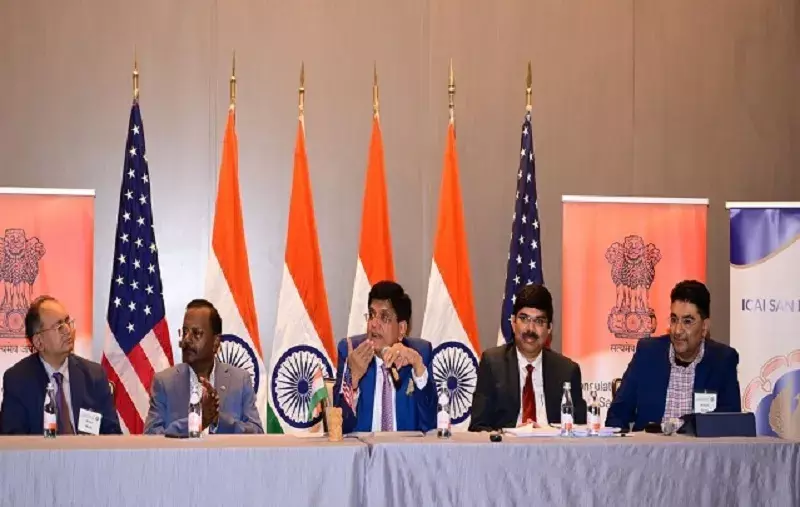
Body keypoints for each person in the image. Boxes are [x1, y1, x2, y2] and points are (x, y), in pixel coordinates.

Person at [605, 280, 741, 431]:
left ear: (704, 327)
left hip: (697, 446)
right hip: (650, 445)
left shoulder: (722, 360)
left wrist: (686, 425)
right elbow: (617, 414)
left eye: (687, 322)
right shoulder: (648, 353)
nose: (677, 330)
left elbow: (731, 422)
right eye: (674, 320)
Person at [469, 284, 586, 432]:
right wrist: (511, 433)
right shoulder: (493, 364)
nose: (530, 329)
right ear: (513, 323)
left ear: (549, 328)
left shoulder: (567, 371)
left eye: (539, 321)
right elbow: (478, 426)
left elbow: (580, 428)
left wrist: (547, 432)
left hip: (552, 445)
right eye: (524, 319)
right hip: (508, 445)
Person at [0, 295, 121, 435]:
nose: (68, 330)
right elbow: (13, 440)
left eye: (67, 322)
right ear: (39, 342)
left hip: (88, 449)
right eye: (59, 327)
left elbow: (112, 434)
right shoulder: (17, 380)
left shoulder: (94, 375)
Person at [144, 299, 263, 435]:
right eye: (184, 332)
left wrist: (217, 420)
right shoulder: (164, 382)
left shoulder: (240, 381)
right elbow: (151, 436)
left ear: (215, 343)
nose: (186, 340)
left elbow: (257, 434)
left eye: (196, 333)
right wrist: (197, 421)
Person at [333, 281, 436, 433]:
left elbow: (431, 425)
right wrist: (352, 380)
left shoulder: (419, 354)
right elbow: (338, 429)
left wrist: (418, 365)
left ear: (402, 329)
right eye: (371, 315)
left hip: (404, 448)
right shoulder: (350, 352)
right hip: (364, 448)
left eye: (384, 317)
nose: (374, 324)